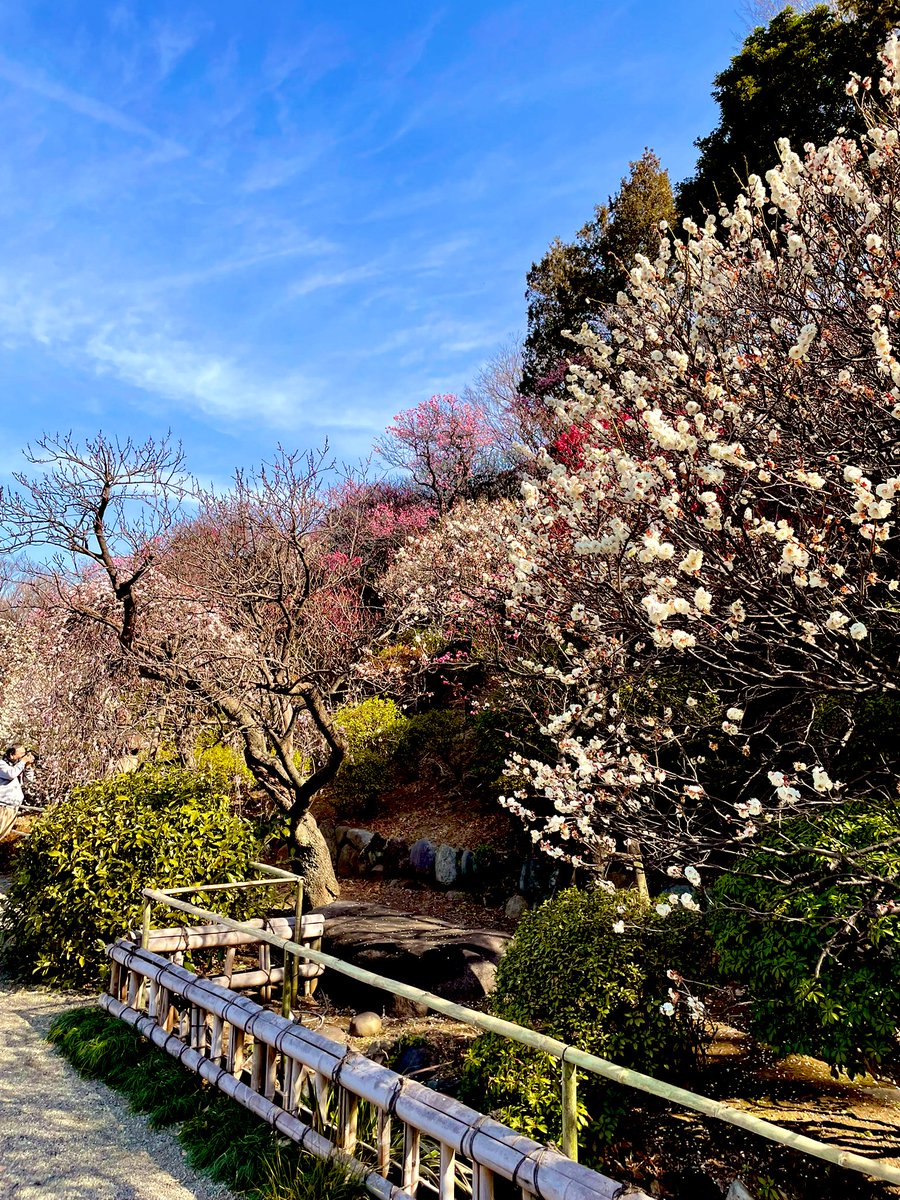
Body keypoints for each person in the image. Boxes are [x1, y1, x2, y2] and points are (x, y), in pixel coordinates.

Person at [0, 745, 34, 840]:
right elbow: (10, 774)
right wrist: (23, 762)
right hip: (3, 806)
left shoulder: (18, 766)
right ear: (11, 755)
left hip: (13, 806)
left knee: (3, 835)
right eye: (21, 754)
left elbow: (29, 780)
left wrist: (27, 767)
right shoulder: (2, 764)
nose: (24, 756)